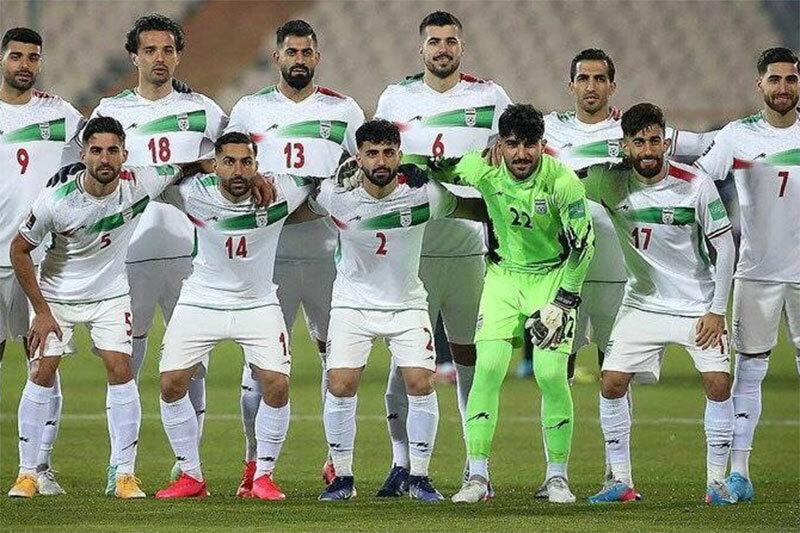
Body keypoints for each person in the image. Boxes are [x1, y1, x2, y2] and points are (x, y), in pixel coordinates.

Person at [289, 119, 487, 501]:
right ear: (359, 157)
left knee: (420, 382)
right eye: (372, 153)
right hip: (352, 303)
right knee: (340, 384)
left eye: (388, 153)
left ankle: (420, 477)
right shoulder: (336, 195)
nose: (381, 161)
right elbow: (296, 210)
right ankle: (342, 478)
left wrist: (508, 208)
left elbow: (471, 208)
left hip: (406, 303)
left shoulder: (424, 194)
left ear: (400, 155)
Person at [373, 10, 512, 496]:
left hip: (470, 248)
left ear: (461, 47)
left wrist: (503, 152)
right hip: (412, 251)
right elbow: (380, 163)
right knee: (405, 359)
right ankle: (401, 464)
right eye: (434, 41)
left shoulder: (490, 97)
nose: (442, 49)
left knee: (471, 358)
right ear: (421, 48)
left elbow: (518, 149)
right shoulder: (395, 98)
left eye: (450, 41)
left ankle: (478, 467)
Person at [89, 13, 228, 491]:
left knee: (193, 362)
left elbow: (231, 163)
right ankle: (120, 464)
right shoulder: (110, 110)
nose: (159, 58)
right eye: (149, 50)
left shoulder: (204, 110)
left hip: (192, 254)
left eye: (167, 49)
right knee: (124, 361)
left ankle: (187, 462)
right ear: (134, 57)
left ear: (178, 55)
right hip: (125, 256)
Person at [226, 19, 365, 493]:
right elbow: (229, 169)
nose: (299, 60)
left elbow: (369, 168)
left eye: (307, 52)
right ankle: (253, 465)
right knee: (259, 365)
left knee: (336, 360)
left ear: (317, 58)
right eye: (292, 52)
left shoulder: (344, 110)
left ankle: (335, 461)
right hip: (268, 258)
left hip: (330, 256)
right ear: (277, 57)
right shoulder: (249, 110)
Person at [582, 103, 737, 505]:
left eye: (655, 141)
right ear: (625, 146)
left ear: (666, 142)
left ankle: (717, 483)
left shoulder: (695, 184)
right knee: (611, 381)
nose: (648, 150)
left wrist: (717, 310)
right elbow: (561, 174)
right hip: (642, 303)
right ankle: (620, 480)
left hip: (697, 303)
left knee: (718, 383)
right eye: (639, 142)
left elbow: (725, 247)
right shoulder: (608, 182)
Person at [449, 104, 595, 504]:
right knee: (487, 370)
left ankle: (557, 477)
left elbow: (584, 245)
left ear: (542, 145)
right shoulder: (483, 170)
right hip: (503, 279)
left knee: (550, 374)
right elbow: (441, 169)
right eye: (512, 145)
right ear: (500, 145)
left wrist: (564, 301)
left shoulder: (563, 182)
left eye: (530, 145)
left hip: (552, 279)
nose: (521, 154)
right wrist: (404, 167)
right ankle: (477, 476)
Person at [154, 132, 309, 500]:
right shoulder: (193, 192)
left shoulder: (282, 191)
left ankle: (263, 476)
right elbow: (158, 176)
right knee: (171, 383)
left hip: (257, 302)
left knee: (277, 384)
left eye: (246, 162)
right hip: (201, 300)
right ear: (215, 165)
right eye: (229, 162)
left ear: (257, 165)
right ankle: (190, 476)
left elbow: (319, 181)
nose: (238, 170)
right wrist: (196, 164)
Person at [694, 47, 799, 503]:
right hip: (755, 273)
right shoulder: (736, 136)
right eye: (775, 79)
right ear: (760, 84)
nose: (783, 87)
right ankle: (739, 472)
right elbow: (698, 181)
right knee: (750, 371)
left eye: (791, 79)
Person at [0, 26, 83, 496]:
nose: (25, 65)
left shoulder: (61, 114)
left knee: (44, 362)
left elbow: (107, 138)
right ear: (2, 59)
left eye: (33, 57)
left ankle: (41, 467)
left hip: (41, 260)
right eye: (17, 56)